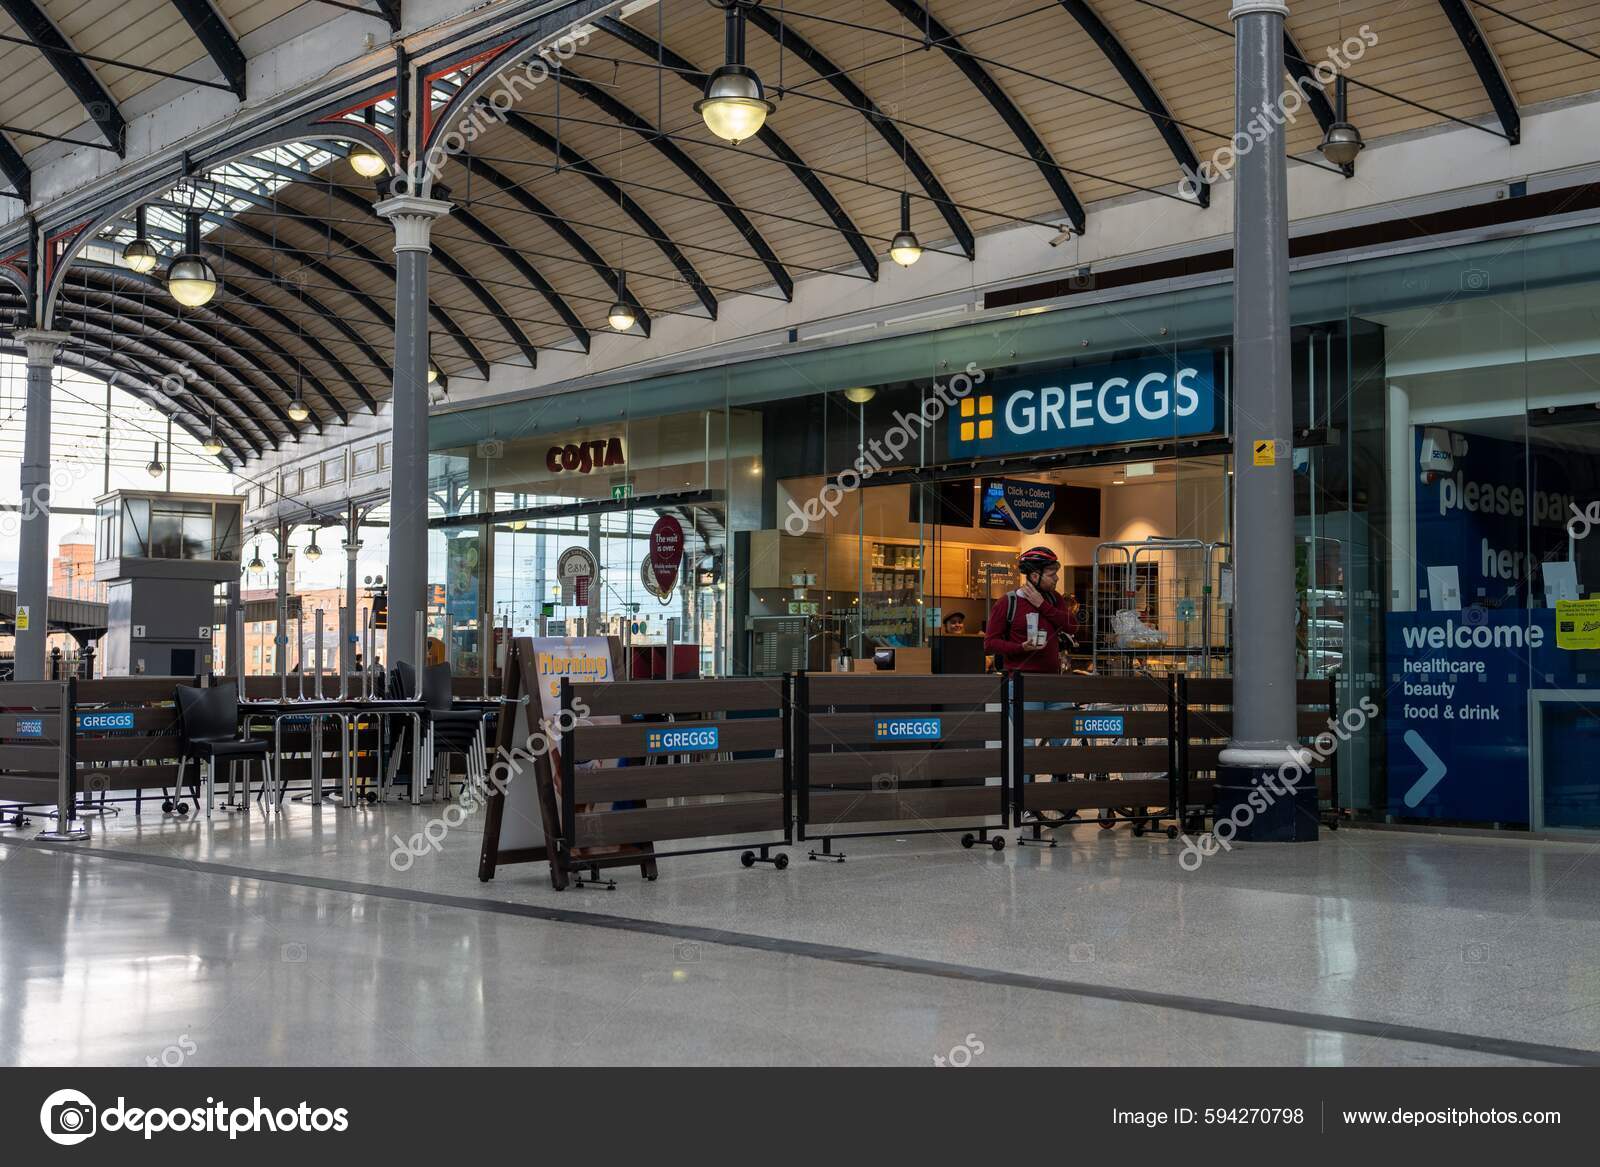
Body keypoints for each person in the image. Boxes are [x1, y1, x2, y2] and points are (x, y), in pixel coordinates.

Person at [983, 547, 1078, 673]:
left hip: (1051, 679)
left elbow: (1072, 626)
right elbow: (989, 644)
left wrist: (1042, 605)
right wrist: (1021, 647)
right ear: (1034, 576)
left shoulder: (1054, 598)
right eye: (1051, 575)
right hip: (1018, 679)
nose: (1056, 578)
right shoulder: (1008, 602)